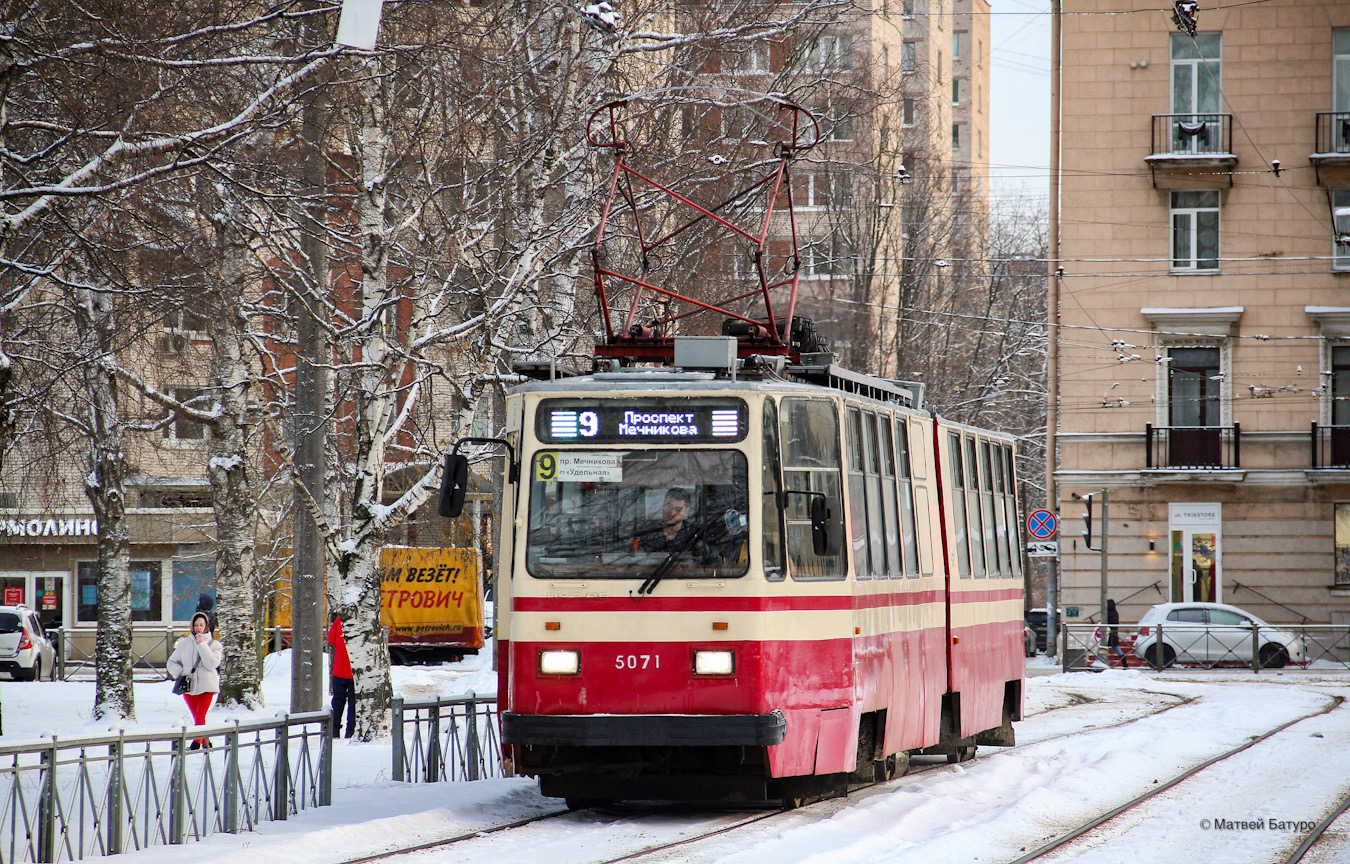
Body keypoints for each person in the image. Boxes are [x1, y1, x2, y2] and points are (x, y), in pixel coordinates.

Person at [166, 611, 223, 749]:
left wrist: (201, 645)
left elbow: (212, 664)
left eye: (201, 625)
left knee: (200, 716)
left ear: (206, 626)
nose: (198, 628)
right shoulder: (184, 643)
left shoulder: (215, 645)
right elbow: (172, 662)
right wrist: (181, 673)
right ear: (191, 626)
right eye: (196, 624)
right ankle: (206, 740)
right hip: (189, 686)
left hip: (207, 685)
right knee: (198, 718)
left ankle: (196, 743)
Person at [638, 488, 698, 554]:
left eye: (678, 509)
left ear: (686, 511)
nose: (672, 513)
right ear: (663, 505)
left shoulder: (694, 536)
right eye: (669, 506)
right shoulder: (648, 534)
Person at [327, 614, 355, 738]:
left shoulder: (339, 620)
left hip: (339, 668)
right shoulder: (362, 621)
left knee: (338, 700)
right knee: (354, 702)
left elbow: (331, 639)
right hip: (355, 670)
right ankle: (351, 730)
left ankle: (334, 730)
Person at [1106, 599, 1130, 668]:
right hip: (1113, 633)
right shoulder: (1114, 612)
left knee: (1102, 648)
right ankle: (1125, 664)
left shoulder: (1111, 613)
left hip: (1110, 634)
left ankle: (1125, 664)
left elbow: (1111, 622)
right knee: (1117, 648)